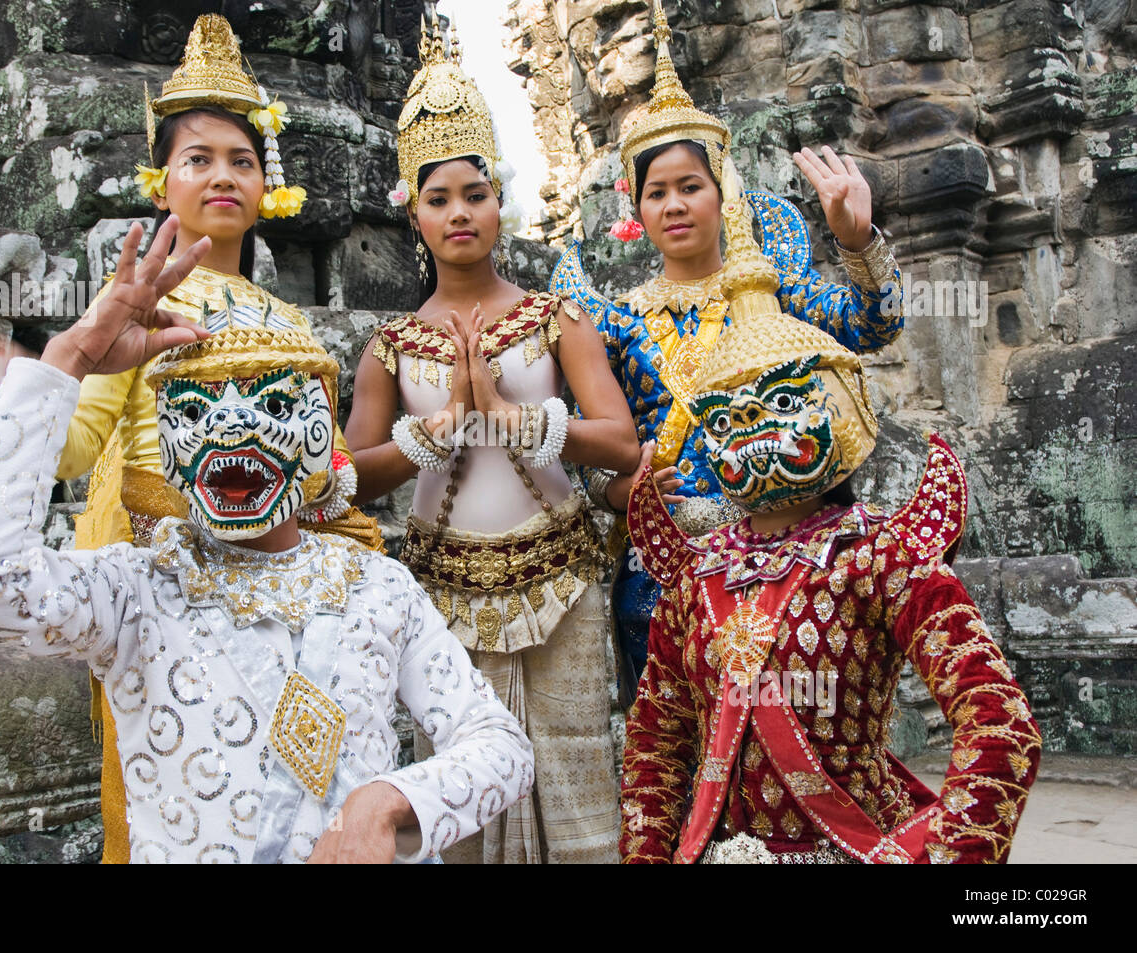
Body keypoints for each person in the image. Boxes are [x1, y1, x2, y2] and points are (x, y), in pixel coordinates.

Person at [0, 216, 534, 863]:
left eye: (270, 407)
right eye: (194, 412)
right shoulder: (134, 591)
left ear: (320, 439)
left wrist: (386, 804)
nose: (231, 429)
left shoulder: (377, 585)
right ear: (169, 448)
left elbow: (499, 742)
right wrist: (68, 358)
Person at [0, 14, 380, 863]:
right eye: (198, 159)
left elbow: (323, 465)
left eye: (242, 160)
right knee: (173, 785)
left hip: (281, 574)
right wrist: (27, 401)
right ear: (162, 182)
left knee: (291, 784)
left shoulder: (287, 322)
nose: (223, 175)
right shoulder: (138, 308)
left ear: (272, 185)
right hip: (166, 580)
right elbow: (82, 446)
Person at [618, 194, 1041, 863]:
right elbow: (655, 747)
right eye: (728, 420)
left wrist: (945, 856)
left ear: (838, 408)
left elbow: (999, 723)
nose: (754, 435)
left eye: (782, 404)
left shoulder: (880, 556)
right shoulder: (696, 578)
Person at [344, 20, 642, 864]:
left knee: (579, 773)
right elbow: (349, 479)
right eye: (437, 199)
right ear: (414, 215)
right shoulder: (391, 344)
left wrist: (513, 418)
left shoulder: (555, 317)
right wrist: (434, 433)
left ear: (498, 199)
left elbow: (621, 445)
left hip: (563, 581)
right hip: (443, 594)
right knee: (461, 789)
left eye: (474, 194)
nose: (459, 213)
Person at [550, 0, 906, 690]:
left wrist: (858, 241)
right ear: (638, 212)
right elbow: (599, 459)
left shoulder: (773, 291)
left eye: (692, 186)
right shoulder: (615, 323)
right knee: (678, 763)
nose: (675, 205)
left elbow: (875, 326)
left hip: (788, 553)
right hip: (666, 569)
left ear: (724, 193)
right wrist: (622, 488)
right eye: (657, 193)